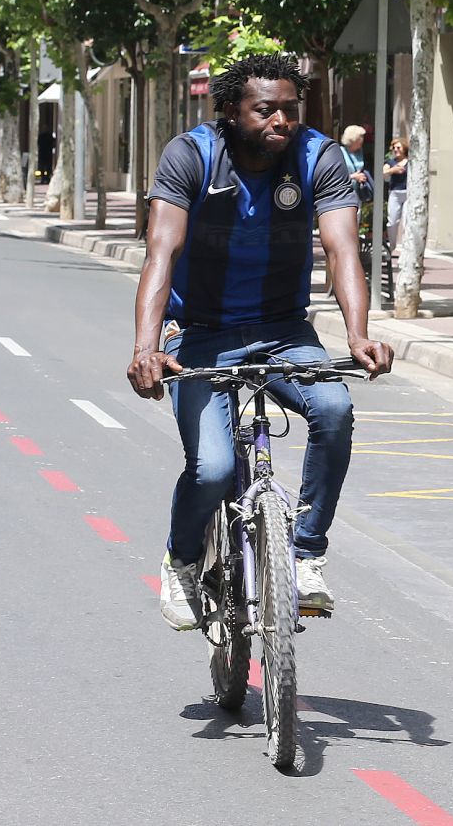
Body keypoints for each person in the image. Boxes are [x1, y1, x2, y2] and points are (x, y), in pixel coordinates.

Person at [128, 54, 394, 630]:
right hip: (199, 333)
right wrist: (147, 347)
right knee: (215, 470)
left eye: (290, 111)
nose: (281, 122)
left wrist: (357, 334)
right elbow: (161, 254)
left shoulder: (319, 157)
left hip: (283, 331)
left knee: (334, 409)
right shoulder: (191, 155)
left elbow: (343, 249)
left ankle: (306, 556)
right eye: (265, 110)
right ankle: (183, 559)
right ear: (229, 111)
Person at [382, 137, 408, 249]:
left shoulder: (410, 161)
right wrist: (394, 170)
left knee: (407, 222)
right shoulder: (390, 162)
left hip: (408, 194)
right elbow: (383, 173)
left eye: (398, 147)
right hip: (395, 194)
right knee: (392, 222)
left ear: (404, 148)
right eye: (394, 148)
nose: (396, 150)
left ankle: (407, 248)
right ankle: (392, 247)